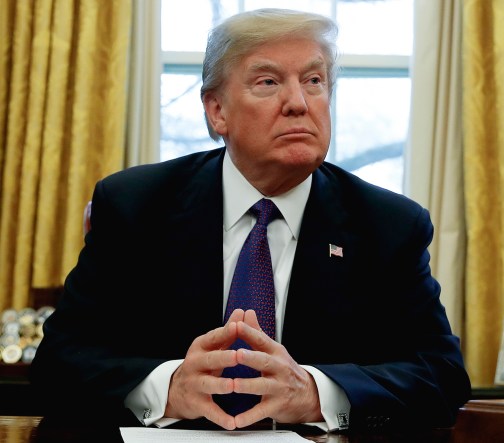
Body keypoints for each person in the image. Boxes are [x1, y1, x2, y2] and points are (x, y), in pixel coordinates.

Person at [30, 8, 470, 433]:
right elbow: (57, 367)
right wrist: (168, 388)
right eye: (268, 82)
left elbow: (442, 376)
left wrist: (317, 393)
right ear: (217, 110)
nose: (299, 102)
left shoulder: (388, 225)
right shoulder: (136, 206)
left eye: (314, 81)